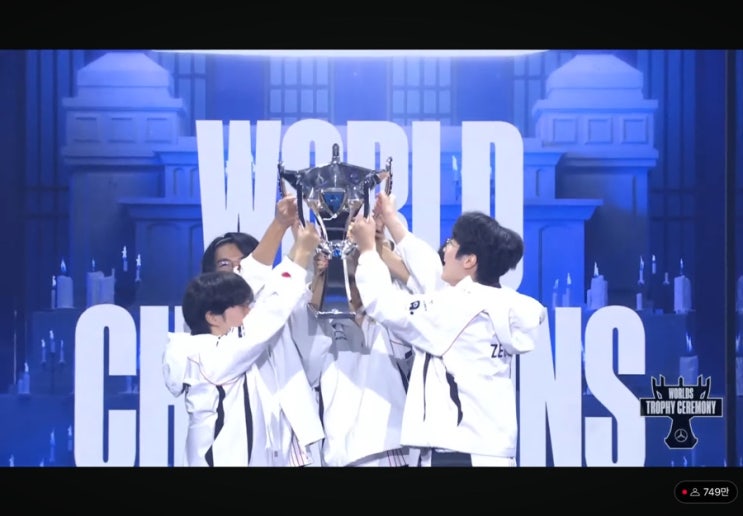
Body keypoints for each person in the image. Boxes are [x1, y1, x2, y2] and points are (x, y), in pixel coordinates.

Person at [350, 192, 547, 467]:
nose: (444, 251)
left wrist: (368, 251)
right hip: (488, 452)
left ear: (469, 260)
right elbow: (431, 281)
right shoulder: (492, 301)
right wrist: (393, 222)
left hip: (459, 454)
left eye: (451, 243)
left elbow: (382, 304)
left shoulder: (458, 307)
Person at [162, 221, 321, 467]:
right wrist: (299, 251)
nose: (249, 311)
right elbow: (270, 312)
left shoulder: (225, 346)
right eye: (242, 306)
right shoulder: (209, 354)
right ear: (213, 316)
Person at [198, 196, 325, 467]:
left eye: (243, 262)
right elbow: (256, 292)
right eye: (225, 265)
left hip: (292, 440)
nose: (236, 270)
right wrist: (283, 231)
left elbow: (311, 350)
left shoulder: (277, 298)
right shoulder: (207, 325)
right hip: (242, 448)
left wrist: (312, 264)